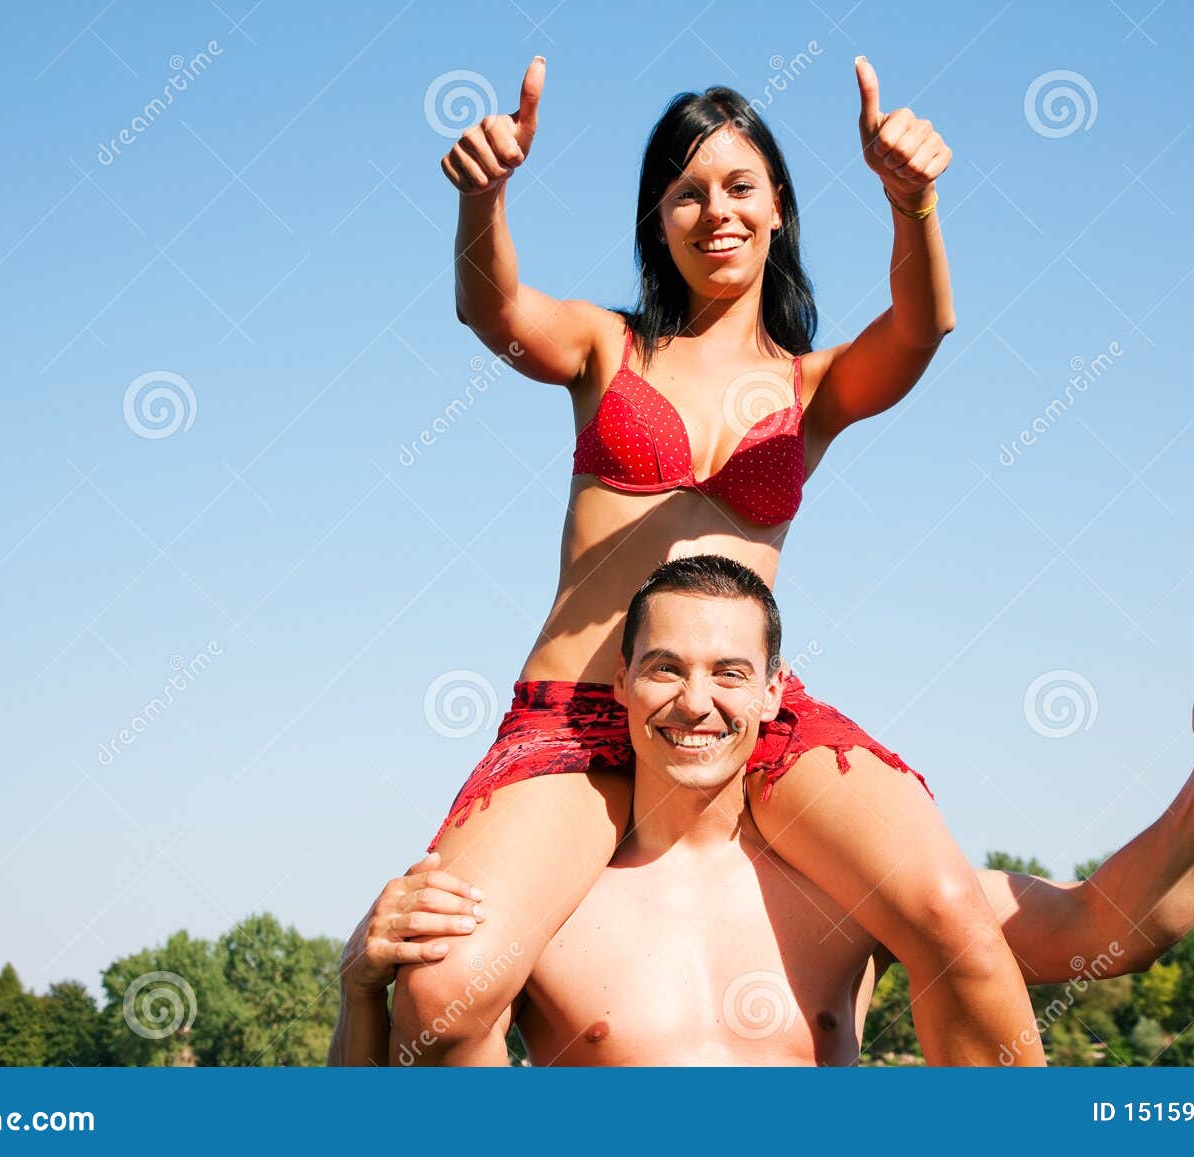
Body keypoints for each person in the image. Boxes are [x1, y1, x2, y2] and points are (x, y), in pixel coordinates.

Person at [403, 52, 1041, 1066]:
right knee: (443, 981)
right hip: (575, 714)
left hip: (743, 714)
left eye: (740, 186)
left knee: (953, 916)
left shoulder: (812, 385)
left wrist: (910, 202)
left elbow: (921, 329)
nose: (716, 211)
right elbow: (494, 311)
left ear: (779, 206)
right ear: (658, 220)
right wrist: (485, 199)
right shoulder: (604, 348)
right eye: (686, 193)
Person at [332, 556, 1194, 1065]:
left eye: (728, 672)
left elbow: (1106, 928)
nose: (695, 699)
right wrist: (354, 993)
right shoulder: (550, 907)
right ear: (621, 684)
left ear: (775, 694)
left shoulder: (846, 895)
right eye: (664, 667)